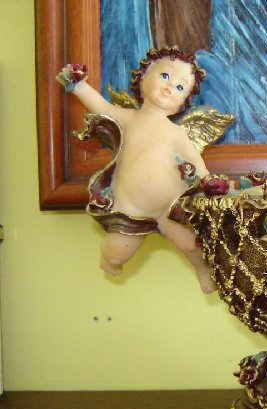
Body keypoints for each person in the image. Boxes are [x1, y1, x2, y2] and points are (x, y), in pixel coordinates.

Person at [57, 47, 215, 293]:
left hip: (169, 206)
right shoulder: (128, 118)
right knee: (115, 252)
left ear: (183, 103)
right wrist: (79, 86)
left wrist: (209, 184)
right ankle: (110, 261)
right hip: (131, 207)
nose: (169, 87)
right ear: (143, 77)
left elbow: (196, 163)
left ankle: (203, 271)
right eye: (165, 76)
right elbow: (101, 108)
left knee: (191, 244)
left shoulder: (176, 132)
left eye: (180, 87)